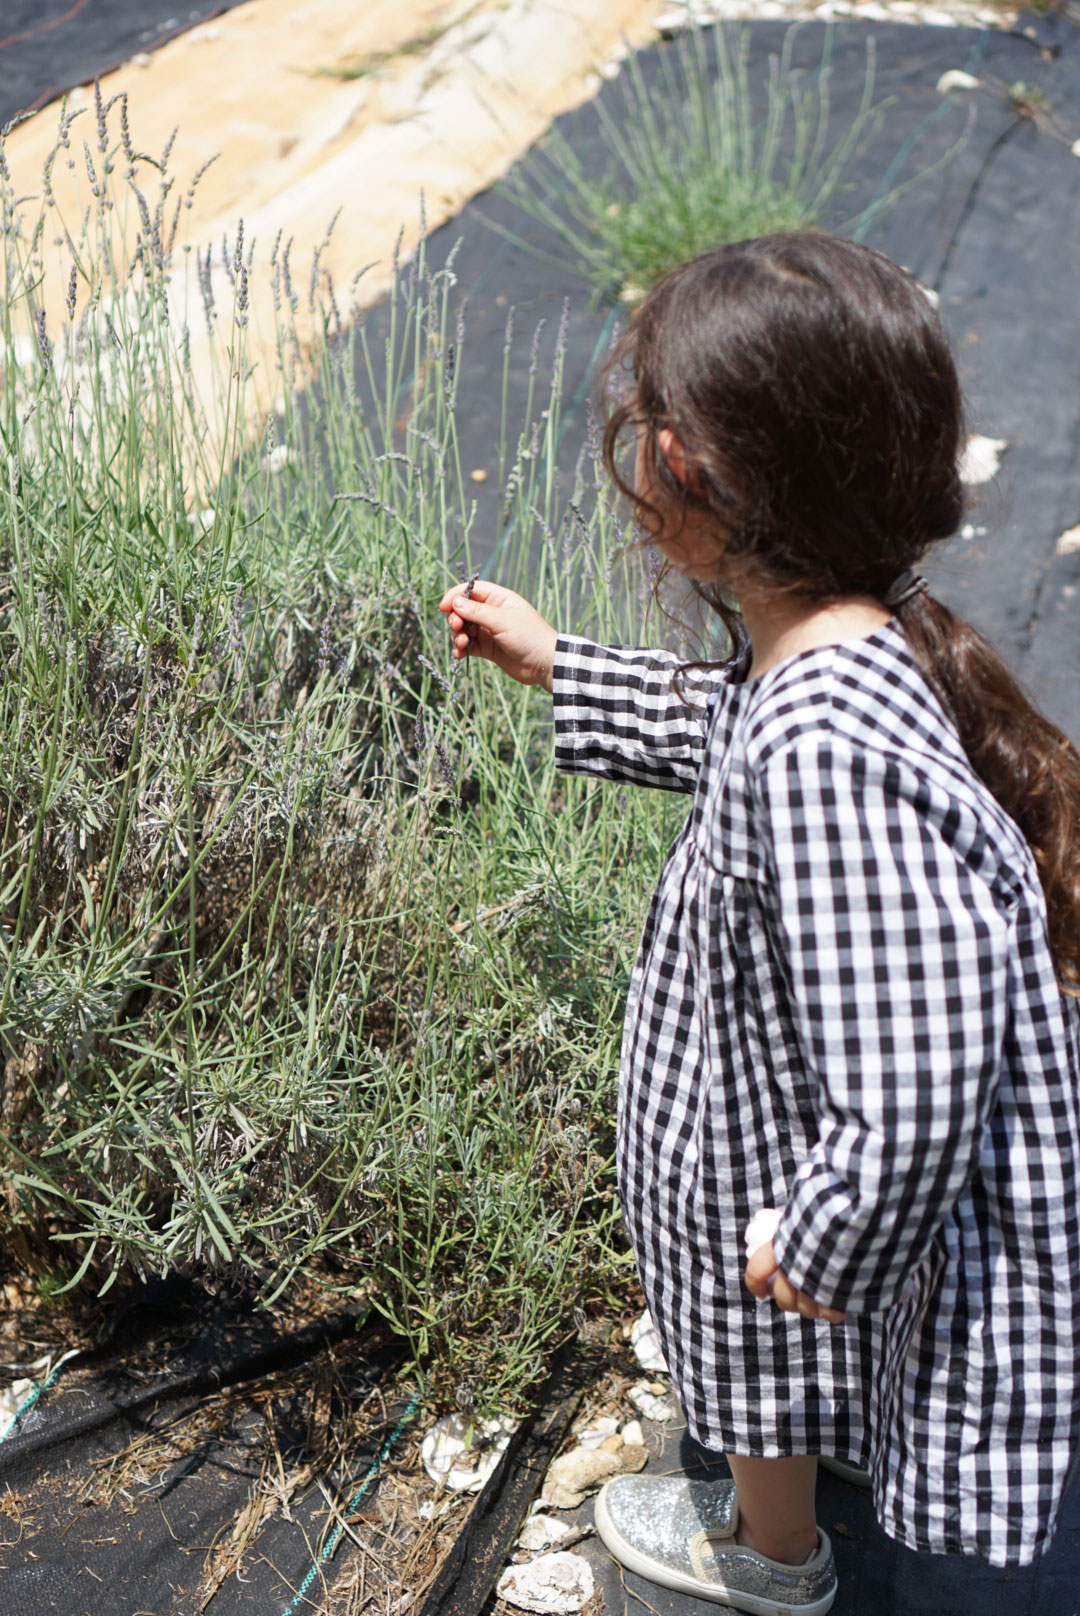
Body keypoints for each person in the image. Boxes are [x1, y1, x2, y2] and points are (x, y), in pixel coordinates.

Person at [439, 232, 1080, 1615]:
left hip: (775, 1180)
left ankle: (776, 1563)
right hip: (775, 1136)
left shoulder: (828, 744)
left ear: (687, 473)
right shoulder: (844, 643)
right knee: (782, 1360)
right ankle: (804, 1487)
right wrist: (565, 668)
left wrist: (828, 1234)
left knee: (766, 1354)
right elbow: (721, 720)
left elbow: (926, 1058)